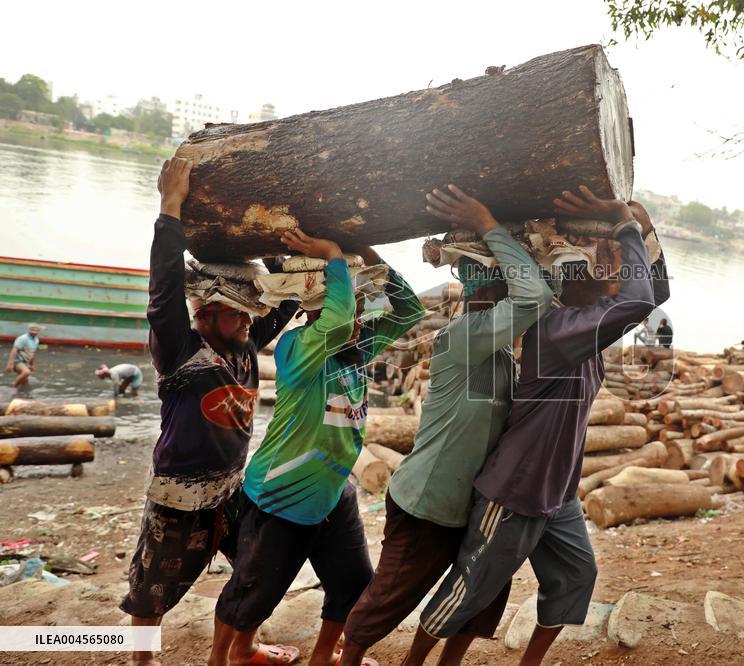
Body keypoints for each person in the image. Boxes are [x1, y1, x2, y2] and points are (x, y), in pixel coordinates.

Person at [405, 187, 670, 666]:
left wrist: (639, 225)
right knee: (468, 589)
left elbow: (652, 293)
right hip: (515, 491)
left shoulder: (585, 325)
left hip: (557, 491)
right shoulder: (556, 330)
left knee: (575, 577)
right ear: (573, 277)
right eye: (602, 268)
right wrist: (623, 224)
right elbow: (637, 302)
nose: (611, 274)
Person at [339, 185, 553, 666]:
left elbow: (542, 298)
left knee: (482, 595)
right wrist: (486, 224)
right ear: (491, 288)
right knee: (386, 602)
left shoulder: (497, 351)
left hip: (468, 504)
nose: (509, 292)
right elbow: (535, 296)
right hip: (427, 505)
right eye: (503, 284)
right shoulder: (461, 338)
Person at [209, 229, 424, 666]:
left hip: (332, 491)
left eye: (361, 305)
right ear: (319, 310)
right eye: (353, 303)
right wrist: (330, 257)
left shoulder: (354, 349)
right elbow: (339, 321)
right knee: (253, 592)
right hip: (279, 497)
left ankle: (325, 656)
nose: (360, 314)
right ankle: (227, 658)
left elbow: (410, 310)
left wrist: (367, 251)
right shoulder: (298, 347)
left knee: (352, 582)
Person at [120, 157, 299, 666]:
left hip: (232, 488)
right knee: (152, 586)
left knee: (256, 570)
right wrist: (169, 207)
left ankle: (240, 649)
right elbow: (163, 292)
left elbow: (283, 302)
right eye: (237, 311)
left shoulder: (244, 345)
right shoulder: (180, 349)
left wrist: (277, 237)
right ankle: (142, 661)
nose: (247, 320)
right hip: (179, 494)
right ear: (205, 312)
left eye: (249, 312)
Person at [6, 323, 44, 388]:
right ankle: (13, 388)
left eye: (36, 330)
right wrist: (10, 364)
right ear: (29, 330)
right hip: (17, 361)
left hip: (25, 362)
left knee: (25, 383)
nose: (34, 332)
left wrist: (32, 364)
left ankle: (21, 394)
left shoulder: (36, 340)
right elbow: (14, 350)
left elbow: (32, 353)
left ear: (38, 331)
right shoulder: (22, 338)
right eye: (32, 330)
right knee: (26, 372)